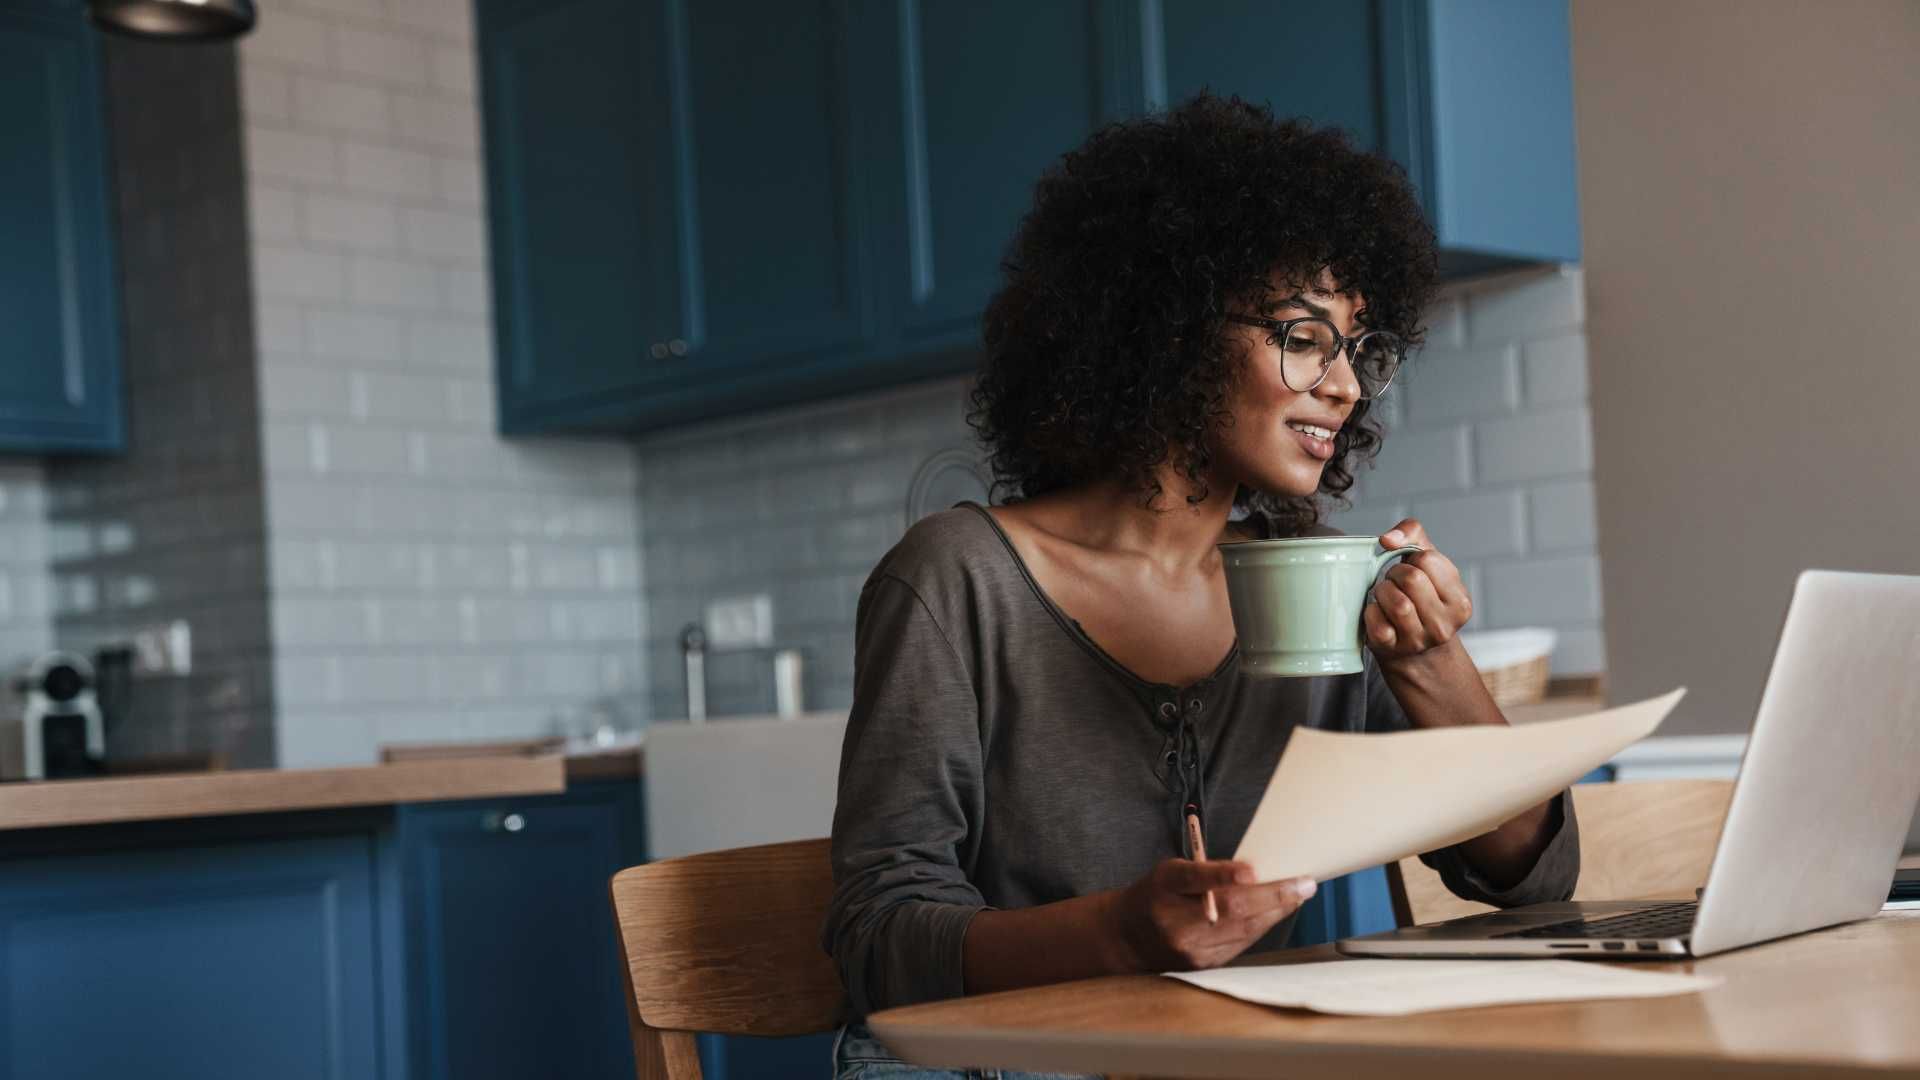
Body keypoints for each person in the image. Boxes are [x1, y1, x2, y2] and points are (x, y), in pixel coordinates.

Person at [821, 94, 1578, 1079]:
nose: (1346, 385)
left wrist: (1433, 666)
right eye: (1305, 337)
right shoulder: (957, 581)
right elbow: (879, 939)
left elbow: (1532, 877)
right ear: (1168, 327)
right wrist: (1121, 935)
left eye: (1358, 348)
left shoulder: (1319, 585)